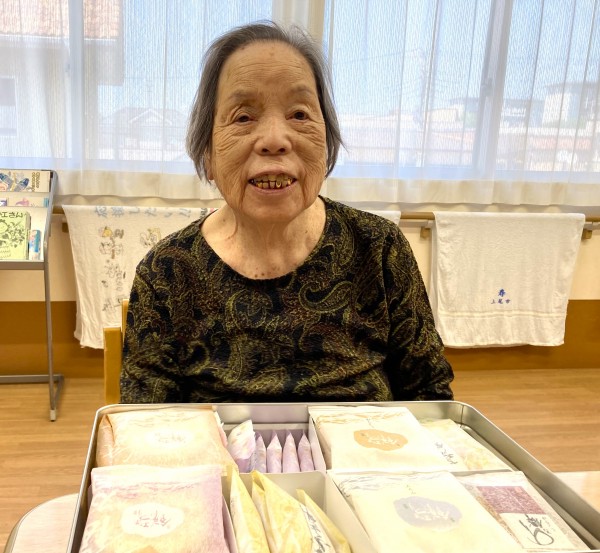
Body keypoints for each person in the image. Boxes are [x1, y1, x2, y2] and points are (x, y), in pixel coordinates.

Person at [120, 21, 454, 404]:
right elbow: (144, 424)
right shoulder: (167, 272)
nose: (275, 140)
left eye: (299, 114)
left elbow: (431, 401)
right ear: (207, 154)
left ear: (326, 144)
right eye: (243, 117)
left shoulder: (379, 249)